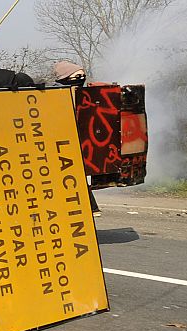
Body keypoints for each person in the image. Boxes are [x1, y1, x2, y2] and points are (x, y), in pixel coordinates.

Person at [53, 61, 101, 216]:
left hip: (79, 143)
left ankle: (89, 207)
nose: (81, 78)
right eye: (77, 76)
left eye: (82, 75)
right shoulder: (57, 96)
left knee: (77, 176)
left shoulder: (86, 96)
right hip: (62, 144)